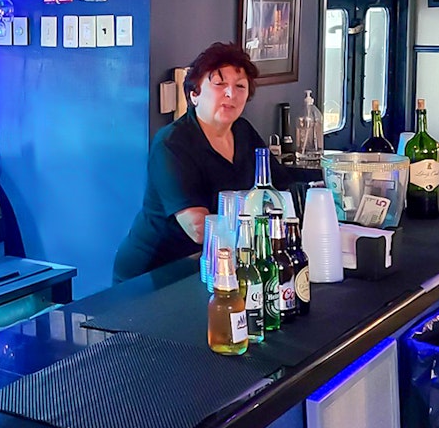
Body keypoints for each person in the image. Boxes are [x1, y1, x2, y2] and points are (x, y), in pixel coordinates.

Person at [113, 41, 317, 283]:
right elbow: (199, 230)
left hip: (215, 265)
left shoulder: (242, 131)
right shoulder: (172, 143)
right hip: (155, 274)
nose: (231, 94)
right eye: (220, 84)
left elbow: (279, 186)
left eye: (240, 86)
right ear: (194, 94)